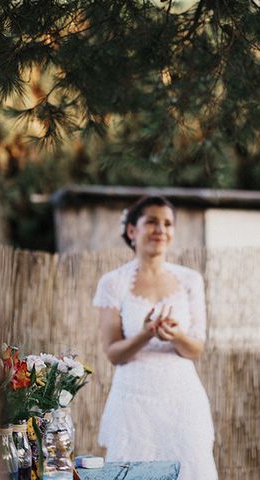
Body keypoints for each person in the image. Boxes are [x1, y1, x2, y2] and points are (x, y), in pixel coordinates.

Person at [92, 195, 218, 480]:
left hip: (182, 398)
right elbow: (113, 353)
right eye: (151, 222)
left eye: (167, 224)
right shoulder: (113, 282)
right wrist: (145, 333)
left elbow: (196, 348)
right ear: (132, 231)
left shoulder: (190, 280)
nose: (160, 229)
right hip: (134, 402)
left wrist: (174, 335)